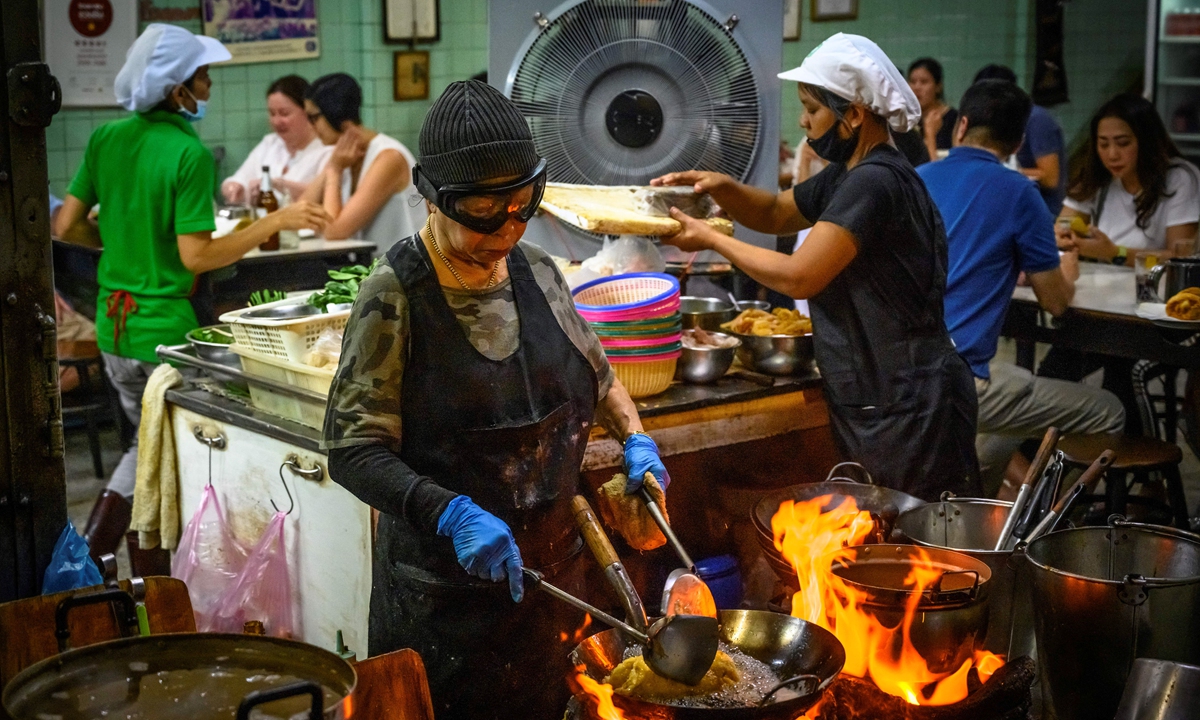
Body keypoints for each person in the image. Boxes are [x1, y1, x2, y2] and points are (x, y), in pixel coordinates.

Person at [321, 80, 667, 720]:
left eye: (521, 207)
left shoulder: (538, 271)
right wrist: (449, 512)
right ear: (433, 198)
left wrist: (636, 440)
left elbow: (604, 380)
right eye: (485, 213)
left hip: (556, 591)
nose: (506, 231)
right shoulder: (393, 294)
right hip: (444, 609)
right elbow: (351, 450)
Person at [653, 33, 980, 501]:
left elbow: (799, 275)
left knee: (912, 550)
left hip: (911, 405)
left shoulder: (875, 182)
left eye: (813, 108)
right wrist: (722, 187)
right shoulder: (850, 174)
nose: (804, 122)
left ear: (854, 113)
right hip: (884, 395)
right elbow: (773, 213)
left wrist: (710, 237)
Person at [53, 24, 329, 573]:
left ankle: (126, 568)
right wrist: (277, 219)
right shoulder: (186, 152)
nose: (207, 87)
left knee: (145, 442)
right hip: (164, 335)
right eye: (201, 77)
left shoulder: (108, 139)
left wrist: (123, 243)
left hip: (114, 327)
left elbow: (67, 225)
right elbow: (197, 257)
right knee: (164, 451)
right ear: (175, 87)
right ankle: (110, 559)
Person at [916, 79, 1125, 494]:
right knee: (1110, 411)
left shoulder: (916, 178)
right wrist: (1068, 270)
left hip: (906, 372)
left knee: (1009, 413)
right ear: (1018, 143)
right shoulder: (1019, 192)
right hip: (962, 381)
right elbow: (1056, 303)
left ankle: (992, 515)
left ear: (961, 126)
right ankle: (1052, 515)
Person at [1057, 93, 1200, 262]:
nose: (1112, 155)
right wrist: (1063, 235)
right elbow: (1064, 223)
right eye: (1103, 144)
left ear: (1146, 142)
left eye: (1123, 143)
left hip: (1152, 283)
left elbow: (1181, 257)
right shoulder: (1096, 175)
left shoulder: (1179, 178)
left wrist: (1117, 253)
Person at [298, 73, 426, 243]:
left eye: (313, 118)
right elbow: (299, 214)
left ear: (337, 117)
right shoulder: (342, 154)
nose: (310, 126)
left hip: (405, 266)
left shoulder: (389, 158)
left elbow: (334, 231)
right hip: (371, 265)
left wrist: (334, 171)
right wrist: (333, 166)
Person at [219, 75, 332, 204]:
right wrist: (233, 187)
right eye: (272, 113)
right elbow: (240, 178)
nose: (276, 121)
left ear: (307, 111)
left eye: (284, 113)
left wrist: (277, 184)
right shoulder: (270, 143)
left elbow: (325, 195)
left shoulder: (326, 149)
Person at [972, 64, 1067, 214]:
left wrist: (1004, 172)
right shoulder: (998, 120)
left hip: (1042, 211)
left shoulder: (1036, 119)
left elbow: (1050, 178)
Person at [908, 57, 958, 159]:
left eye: (924, 82)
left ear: (938, 87)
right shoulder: (907, 119)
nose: (917, 87)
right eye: (913, 82)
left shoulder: (954, 119)